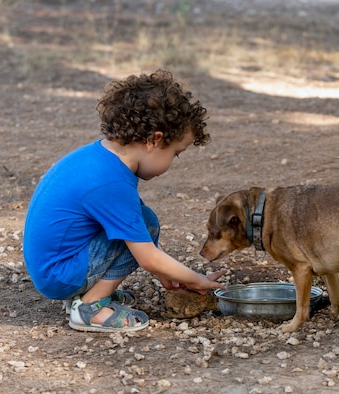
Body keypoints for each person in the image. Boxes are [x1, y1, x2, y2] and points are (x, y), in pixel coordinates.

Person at [23, 70, 226, 332]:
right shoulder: (112, 184)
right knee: (144, 222)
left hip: (56, 265)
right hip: (59, 276)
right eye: (176, 154)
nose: (172, 162)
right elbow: (147, 257)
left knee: (140, 221)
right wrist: (196, 279)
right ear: (155, 139)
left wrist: (169, 274)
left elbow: (137, 238)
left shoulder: (100, 158)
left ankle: (89, 293)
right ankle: (90, 306)